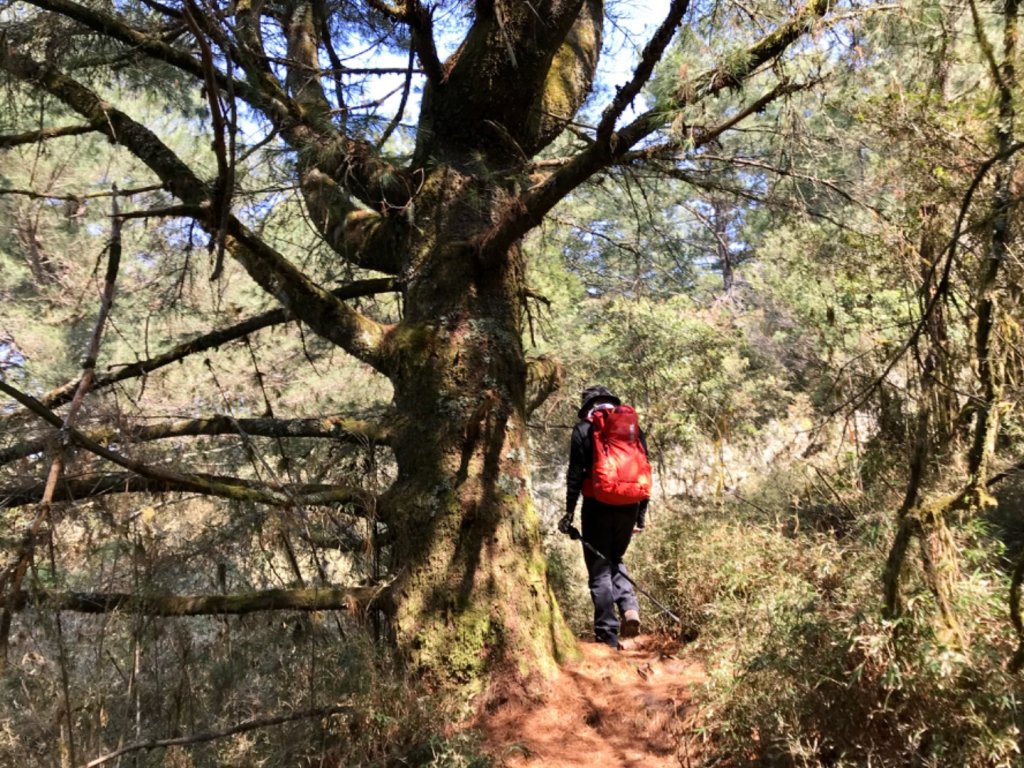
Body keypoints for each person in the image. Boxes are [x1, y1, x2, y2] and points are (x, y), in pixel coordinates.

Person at [559, 385, 649, 649]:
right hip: (629, 504)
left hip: (596, 506)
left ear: (587, 406)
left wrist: (568, 513)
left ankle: (607, 636)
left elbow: (575, 475)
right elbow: (644, 470)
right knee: (615, 558)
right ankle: (630, 608)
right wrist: (640, 516)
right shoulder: (632, 429)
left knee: (599, 570)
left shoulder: (584, 429)